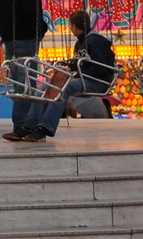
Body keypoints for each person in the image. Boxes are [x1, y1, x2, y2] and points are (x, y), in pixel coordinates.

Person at [24, 10, 118, 141]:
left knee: (64, 87)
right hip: (84, 78)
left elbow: (100, 68)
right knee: (45, 87)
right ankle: (29, 126)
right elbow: (79, 64)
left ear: (73, 26)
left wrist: (77, 71)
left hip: (97, 81)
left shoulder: (95, 41)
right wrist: (69, 65)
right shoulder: (79, 43)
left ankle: (46, 127)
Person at [0, 0, 47, 142]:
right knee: (29, 83)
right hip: (27, 37)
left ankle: (18, 124)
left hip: (10, 39)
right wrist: (41, 29)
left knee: (17, 83)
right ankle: (26, 125)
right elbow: (32, 10)